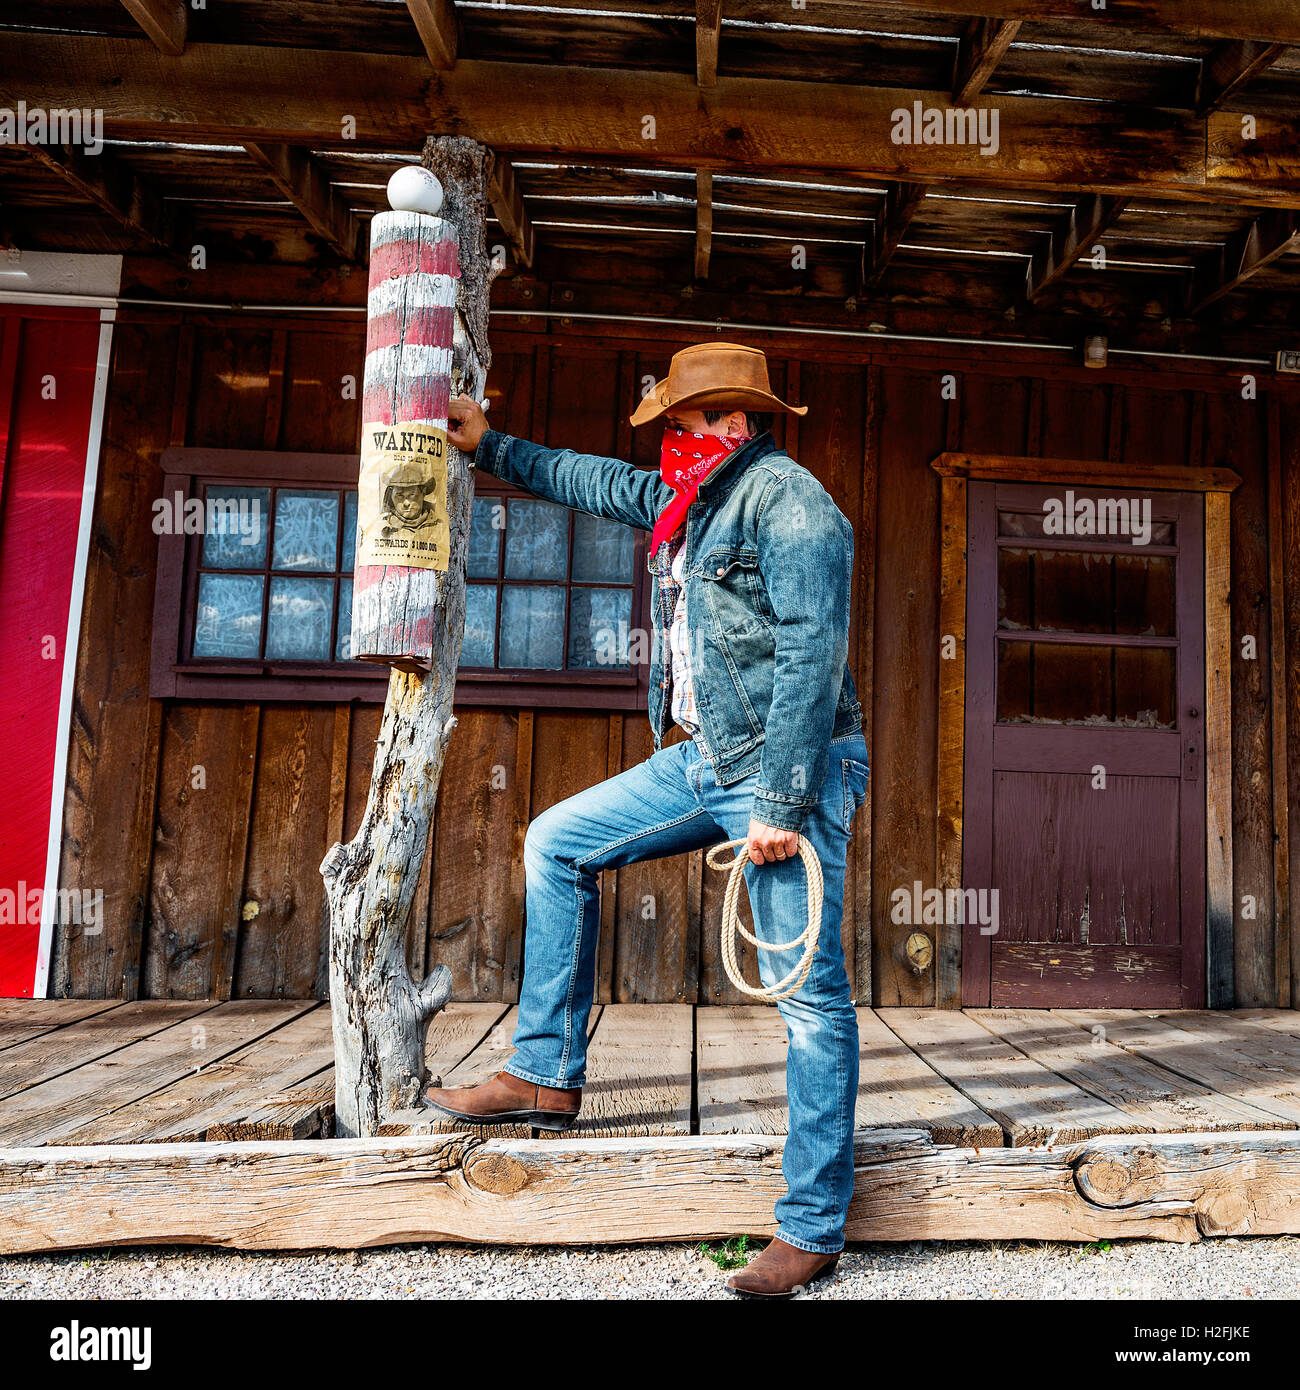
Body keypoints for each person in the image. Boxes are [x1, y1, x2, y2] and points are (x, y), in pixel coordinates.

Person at [429, 341, 869, 1297]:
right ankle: (545, 1074)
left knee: (810, 998)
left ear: (728, 420)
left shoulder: (791, 505)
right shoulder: (691, 496)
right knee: (557, 842)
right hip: (707, 758)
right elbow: (592, 480)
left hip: (784, 770)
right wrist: (489, 443)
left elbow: (813, 657)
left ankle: (813, 1227)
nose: (670, 437)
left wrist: (784, 802)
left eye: (680, 421)